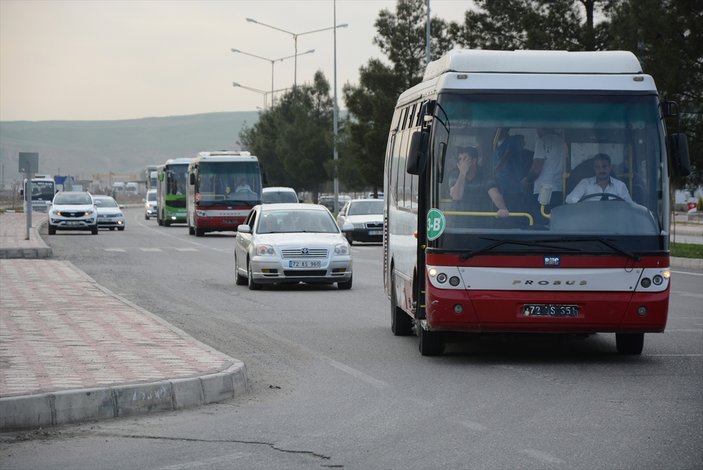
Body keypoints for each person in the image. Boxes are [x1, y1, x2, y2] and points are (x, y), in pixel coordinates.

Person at [449, 146, 509, 218]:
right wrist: (462, 174)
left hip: (480, 224)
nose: (462, 162)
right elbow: (456, 196)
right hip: (457, 224)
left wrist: (502, 208)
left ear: (474, 161)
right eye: (460, 159)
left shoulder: (485, 176)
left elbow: (494, 193)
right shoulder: (454, 175)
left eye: (465, 159)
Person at [521, 128, 566, 220]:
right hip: (559, 189)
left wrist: (527, 180)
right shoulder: (563, 142)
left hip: (543, 192)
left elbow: (536, 169)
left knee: (539, 221)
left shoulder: (542, 141)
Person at [566, 153, 633, 203]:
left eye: (604, 166)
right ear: (594, 169)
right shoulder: (585, 183)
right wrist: (584, 206)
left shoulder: (620, 185)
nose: (601, 170)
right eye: (598, 167)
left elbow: (629, 204)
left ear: (610, 168)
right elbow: (569, 199)